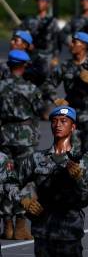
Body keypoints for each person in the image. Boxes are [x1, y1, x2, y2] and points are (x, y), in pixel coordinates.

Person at [18, 106, 88, 257]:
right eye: (54, 121)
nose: (58, 125)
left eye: (64, 121)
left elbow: (86, 198)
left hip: (69, 234)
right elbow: (10, 182)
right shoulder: (36, 159)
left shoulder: (82, 163)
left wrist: (79, 179)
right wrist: (25, 199)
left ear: (73, 127)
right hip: (44, 232)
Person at [0, 49, 45, 240]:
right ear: (24, 66)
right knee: (25, 179)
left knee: (5, 178)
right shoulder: (31, 89)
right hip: (25, 137)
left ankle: (7, 223)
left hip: (4, 136)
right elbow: (41, 110)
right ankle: (20, 223)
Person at [44, 32, 88, 168]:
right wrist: (56, 99)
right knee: (71, 155)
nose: (71, 45)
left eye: (75, 42)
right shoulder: (65, 66)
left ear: (84, 46)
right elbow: (48, 83)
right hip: (70, 116)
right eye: (72, 41)